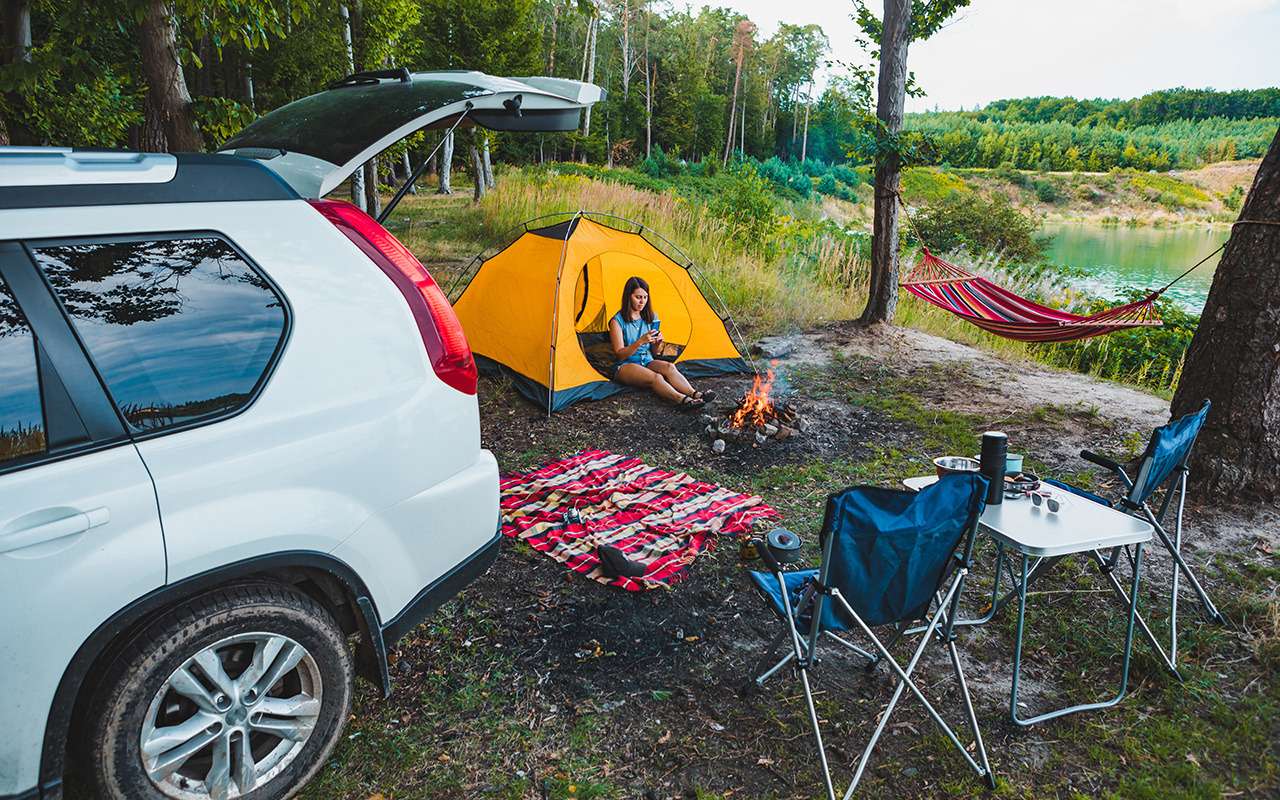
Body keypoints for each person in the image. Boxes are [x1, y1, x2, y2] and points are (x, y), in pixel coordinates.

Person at [609, 276, 715, 407]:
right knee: (656, 377)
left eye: (645, 297)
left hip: (647, 360)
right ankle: (683, 400)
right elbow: (619, 354)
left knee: (669, 367)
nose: (642, 302)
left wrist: (657, 343)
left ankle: (696, 394)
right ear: (628, 297)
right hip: (626, 365)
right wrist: (640, 342)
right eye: (638, 297)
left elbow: (655, 352)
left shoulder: (651, 317)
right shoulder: (617, 321)